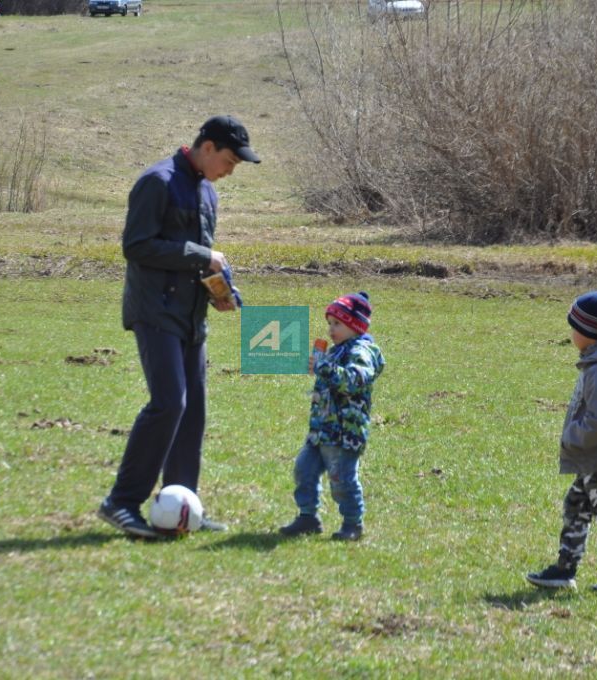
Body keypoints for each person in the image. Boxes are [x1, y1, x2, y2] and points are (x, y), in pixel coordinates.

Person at [97, 115, 260, 538]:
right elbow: (136, 246)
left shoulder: (208, 192)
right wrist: (200, 256)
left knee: (193, 412)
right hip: (155, 311)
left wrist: (218, 290)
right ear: (207, 147)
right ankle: (121, 502)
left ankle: (183, 506)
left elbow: (200, 257)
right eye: (229, 160)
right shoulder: (157, 181)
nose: (230, 170)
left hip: (191, 316)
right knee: (169, 403)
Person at [526, 291, 597, 594]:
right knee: (576, 505)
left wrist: (574, 436)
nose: (571, 333)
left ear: (588, 333)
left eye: (573, 328)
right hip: (596, 458)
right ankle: (564, 570)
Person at [279, 292, 386, 541]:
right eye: (329, 323)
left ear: (355, 325)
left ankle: (352, 523)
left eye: (336, 324)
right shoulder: (338, 350)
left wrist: (325, 367)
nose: (330, 330)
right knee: (304, 470)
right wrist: (321, 365)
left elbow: (355, 379)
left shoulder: (362, 351)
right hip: (322, 429)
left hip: (345, 432)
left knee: (342, 481)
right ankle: (308, 517)